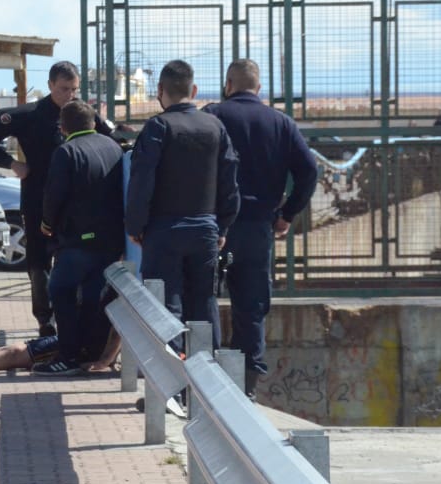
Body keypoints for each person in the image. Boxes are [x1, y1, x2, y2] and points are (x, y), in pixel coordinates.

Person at [203, 59, 318, 398]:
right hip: (257, 228)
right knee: (251, 307)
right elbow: (309, 171)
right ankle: (246, 389)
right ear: (259, 87)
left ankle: (203, 380)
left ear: (228, 84)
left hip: (216, 225)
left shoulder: (213, 115)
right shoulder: (281, 123)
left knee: (204, 298)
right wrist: (287, 213)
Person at [0, 61, 111, 338]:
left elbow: (111, 141)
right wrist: (11, 163)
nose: (69, 96)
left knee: (75, 260)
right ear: (50, 86)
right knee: (38, 263)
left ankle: (75, 318)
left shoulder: (85, 115)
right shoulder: (30, 115)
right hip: (38, 200)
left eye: (74, 89)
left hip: (77, 207)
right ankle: (45, 321)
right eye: (63, 89)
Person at [126, 60, 239, 353]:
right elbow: (229, 182)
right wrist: (223, 225)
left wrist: (135, 226)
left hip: (163, 231)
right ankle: (206, 388)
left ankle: (171, 390)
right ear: (195, 89)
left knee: (165, 309)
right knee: (204, 306)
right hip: (205, 229)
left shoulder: (158, 127)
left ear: (160, 90)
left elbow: (141, 183)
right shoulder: (215, 127)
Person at [34, 100, 125, 376]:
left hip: (77, 240)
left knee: (60, 292)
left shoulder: (66, 152)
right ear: (94, 123)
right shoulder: (113, 147)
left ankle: (68, 356)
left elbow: (54, 195)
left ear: (63, 128)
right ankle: (92, 352)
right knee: (94, 297)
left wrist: (47, 224)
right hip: (111, 240)